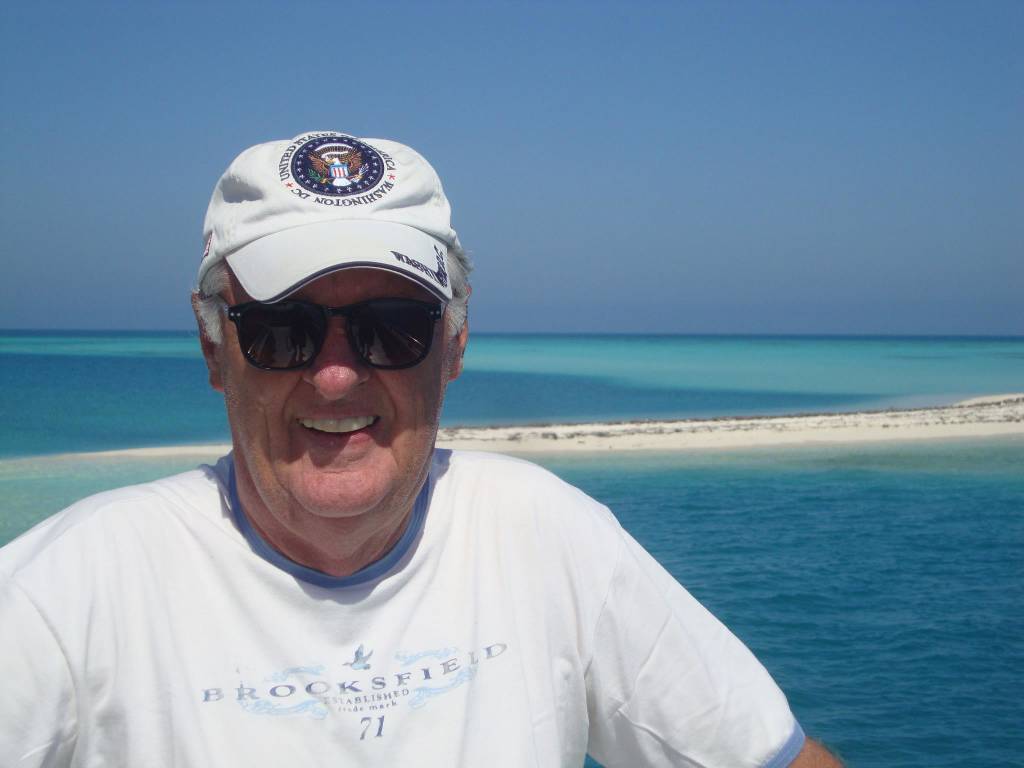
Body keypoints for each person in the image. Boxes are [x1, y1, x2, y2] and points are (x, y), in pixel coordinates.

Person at [0, 131, 842, 767]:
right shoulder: (64, 593)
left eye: (392, 328)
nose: (336, 376)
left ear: (455, 345)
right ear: (215, 347)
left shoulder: (547, 537)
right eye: (283, 331)